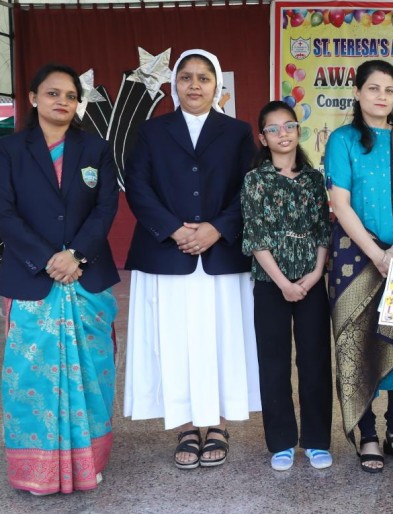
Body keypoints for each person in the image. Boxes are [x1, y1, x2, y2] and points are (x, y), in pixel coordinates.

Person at [123, 49, 260, 470]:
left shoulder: (237, 132)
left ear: (217, 85)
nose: (195, 85)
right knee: (174, 340)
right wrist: (174, 229)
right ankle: (184, 425)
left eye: (204, 77)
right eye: (186, 77)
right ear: (174, 84)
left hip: (222, 253)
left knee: (222, 339)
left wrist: (217, 228)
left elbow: (251, 186)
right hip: (168, 251)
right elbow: (137, 185)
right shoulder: (152, 131)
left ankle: (217, 424)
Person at [0, 63, 120, 494]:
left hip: (86, 277)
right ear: (33, 99)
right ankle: (36, 471)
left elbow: (106, 207)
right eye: (53, 93)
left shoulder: (96, 149)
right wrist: (48, 259)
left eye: (71, 96)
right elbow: (3, 212)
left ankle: (89, 463)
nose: (62, 102)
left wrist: (75, 255)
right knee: (30, 377)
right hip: (30, 277)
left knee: (92, 375)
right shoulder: (9, 150)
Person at [325, 59, 393, 473]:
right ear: (357, 92)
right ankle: (367, 434)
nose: (381, 97)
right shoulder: (342, 140)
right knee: (359, 346)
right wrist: (378, 255)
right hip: (355, 260)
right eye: (373, 88)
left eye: (389, 90)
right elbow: (340, 204)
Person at [240, 100, 333, 471]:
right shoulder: (255, 180)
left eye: (289, 126)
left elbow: (322, 230)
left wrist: (315, 273)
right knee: (274, 362)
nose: (283, 133)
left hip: (311, 283)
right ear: (263, 138)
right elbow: (255, 236)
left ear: (298, 130)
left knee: (315, 360)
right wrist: (283, 283)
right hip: (270, 284)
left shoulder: (313, 179)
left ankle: (316, 441)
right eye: (273, 128)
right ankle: (281, 442)